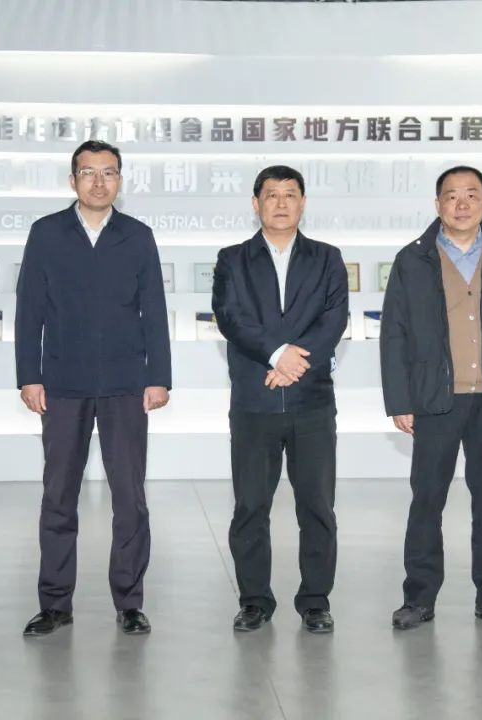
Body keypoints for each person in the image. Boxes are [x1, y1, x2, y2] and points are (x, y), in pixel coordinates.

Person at [15, 140, 171, 637]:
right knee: (58, 496)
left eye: (108, 173)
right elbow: (29, 309)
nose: (99, 182)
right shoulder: (46, 233)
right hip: (63, 383)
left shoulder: (138, 236)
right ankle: (55, 603)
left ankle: (129, 602)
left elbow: (154, 311)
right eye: (88, 172)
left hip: (125, 385)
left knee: (130, 497)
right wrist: (29, 375)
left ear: (120, 180)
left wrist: (159, 376)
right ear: (73, 180)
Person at [380, 165, 482, 631]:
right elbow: (394, 333)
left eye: (472, 194)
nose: (462, 203)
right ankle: (418, 598)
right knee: (427, 499)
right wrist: (399, 400)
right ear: (438, 205)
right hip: (435, 398)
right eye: (451, 195)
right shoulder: (413, 259)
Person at [211, 165, 348, 634]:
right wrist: (276, 355)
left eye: (291, 194)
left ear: (303, 203)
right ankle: (254, 601)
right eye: (272, 195)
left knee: (317, 507)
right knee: (251, 506)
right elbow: (231, 317)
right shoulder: (232, 259)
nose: (282, 203)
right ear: (256, 204)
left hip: (312, 402)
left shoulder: (327, 258)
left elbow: (334, 319)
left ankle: (315, 601)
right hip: (255, 402)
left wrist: (293, 364)